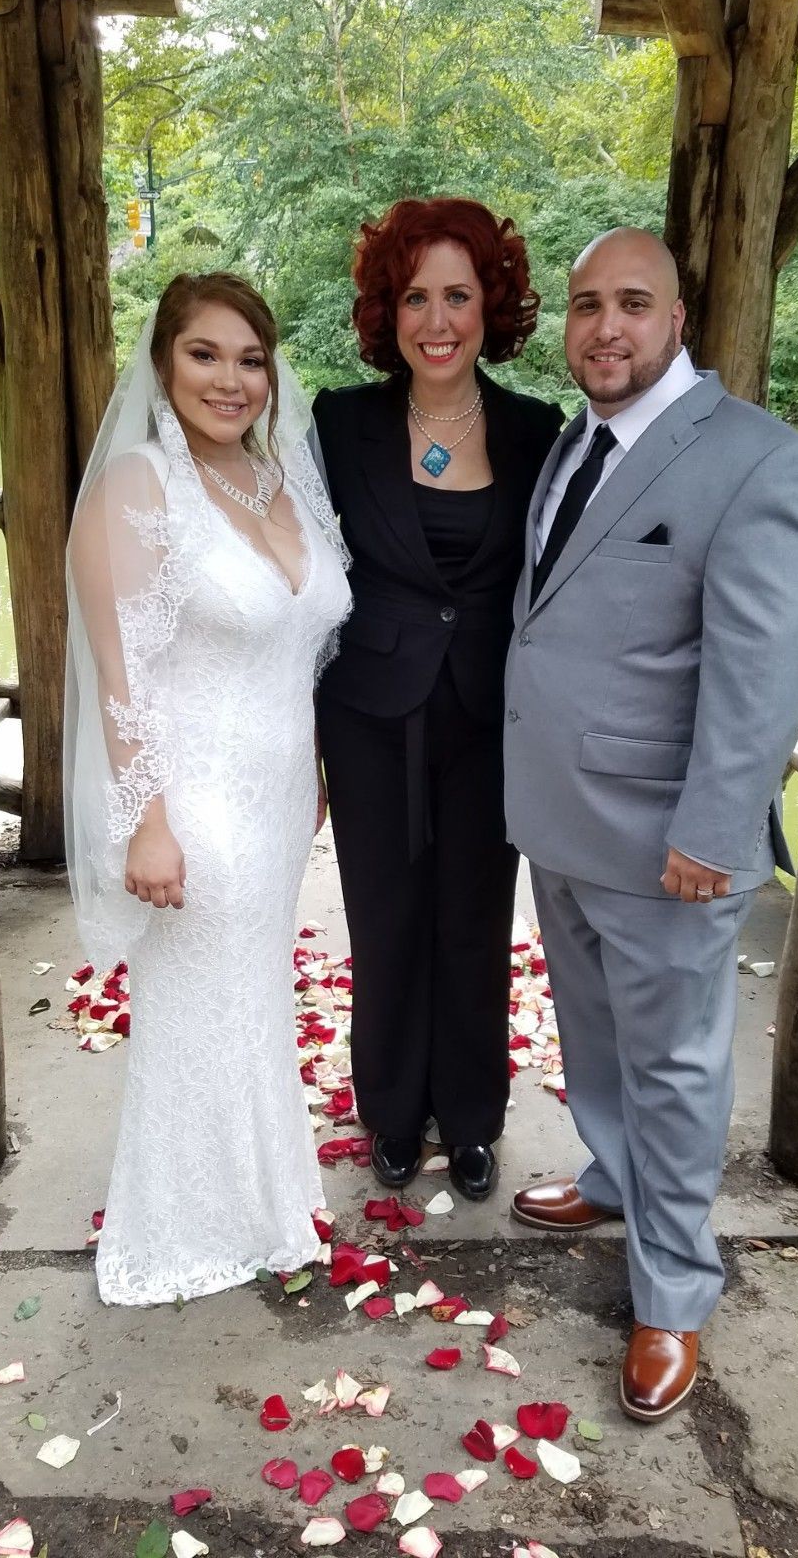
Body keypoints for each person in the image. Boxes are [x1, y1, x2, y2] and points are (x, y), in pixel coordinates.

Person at [504, 228, 798, 1417]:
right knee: (593, 1032)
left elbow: (765, 664)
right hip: (563, 817)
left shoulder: (759, 461)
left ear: (680, 316)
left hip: (670, 841)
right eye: (587, 304)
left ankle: (673, 1293)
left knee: (681, 1066)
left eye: (632, 303)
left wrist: (715, 823)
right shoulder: (570, 442)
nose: (605, 327)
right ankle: (609, 1172)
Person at [64, 272, 352, 1306]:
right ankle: (180, 1223)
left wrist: (313, 768)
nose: (230, 380)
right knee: (199, 1008)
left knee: (253, 1003)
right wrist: (146, 824)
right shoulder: (138, 489)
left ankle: (268, 1202)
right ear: (161, 362)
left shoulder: (279, 479)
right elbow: (119, 673)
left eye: (250, 359)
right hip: (191, 802)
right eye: (204, 354)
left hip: (276, 798)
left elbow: (303, 644)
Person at [313, 198, 564, 1202]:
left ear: (490, 302)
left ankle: (470, 1115)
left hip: (488, 716)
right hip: (371, 713)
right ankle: (390, 1108)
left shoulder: (537, 429)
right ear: (388, 307)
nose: (437, 319)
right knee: (384, 916)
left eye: (459, 293)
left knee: (472, 917)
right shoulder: (339, 422)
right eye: (415, 295)